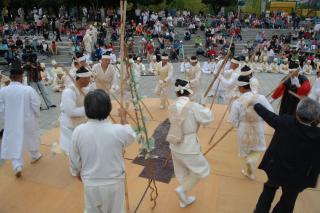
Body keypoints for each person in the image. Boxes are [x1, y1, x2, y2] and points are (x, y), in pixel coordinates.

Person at [70, 89, 136, 213]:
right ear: (109, 108)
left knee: (92, 210)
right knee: (116, 210)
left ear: (86, 109)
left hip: (90, 181)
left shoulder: (78, 131)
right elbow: (131, 135)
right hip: (114, 181)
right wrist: (123, 117)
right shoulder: (118, 130)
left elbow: (74, 156)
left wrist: (77, 170)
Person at [253, 98, 320, 213]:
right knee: (288, 200)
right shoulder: (317, 135)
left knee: (268, 190)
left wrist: (256, 104)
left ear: (297, 112)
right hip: (298, 176)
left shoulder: (285, 122)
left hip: (277, 168)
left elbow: (269, 116)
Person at [168, 79, 213, 208]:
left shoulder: (172, 106)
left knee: (181, 172)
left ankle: (184, 199)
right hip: (189, 145)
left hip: (175, 143)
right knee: (202, 169)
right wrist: (203, 105)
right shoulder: (194, 106)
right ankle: (182, 190)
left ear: (177, 94)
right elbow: (208, 118)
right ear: (189, 92)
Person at [0, 64, 42, 178]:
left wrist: (6, 118)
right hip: (28, 119)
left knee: (14, 141)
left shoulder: (3, 91)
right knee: (31, 137)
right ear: (20, 76)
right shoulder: (28, 89)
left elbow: (1, 108)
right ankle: (35, 155)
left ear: (10, 76)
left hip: (11, 121)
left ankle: (17, 165)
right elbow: (36, 104)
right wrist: (36, 115)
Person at [230, 75, 274, 180]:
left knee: (246, 150)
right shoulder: (261, 98)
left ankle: (249, 169)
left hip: (243, 128)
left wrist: (238, 125)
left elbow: (233, 120)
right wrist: (261, 119)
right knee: (258, 149)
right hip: (258, 126)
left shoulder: (236, 102)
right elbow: (271, 113)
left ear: (241, 87)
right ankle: (250, 167)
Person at [59, 67, 92, 155]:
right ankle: (75, 167)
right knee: (72, 150)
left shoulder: (84, 89)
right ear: (82, 79)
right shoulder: (68, 92)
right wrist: (90, 108)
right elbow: (71, 112)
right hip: (69, 124)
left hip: (80, 123)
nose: (89, 81)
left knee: (80, 148)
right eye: (88, 78)